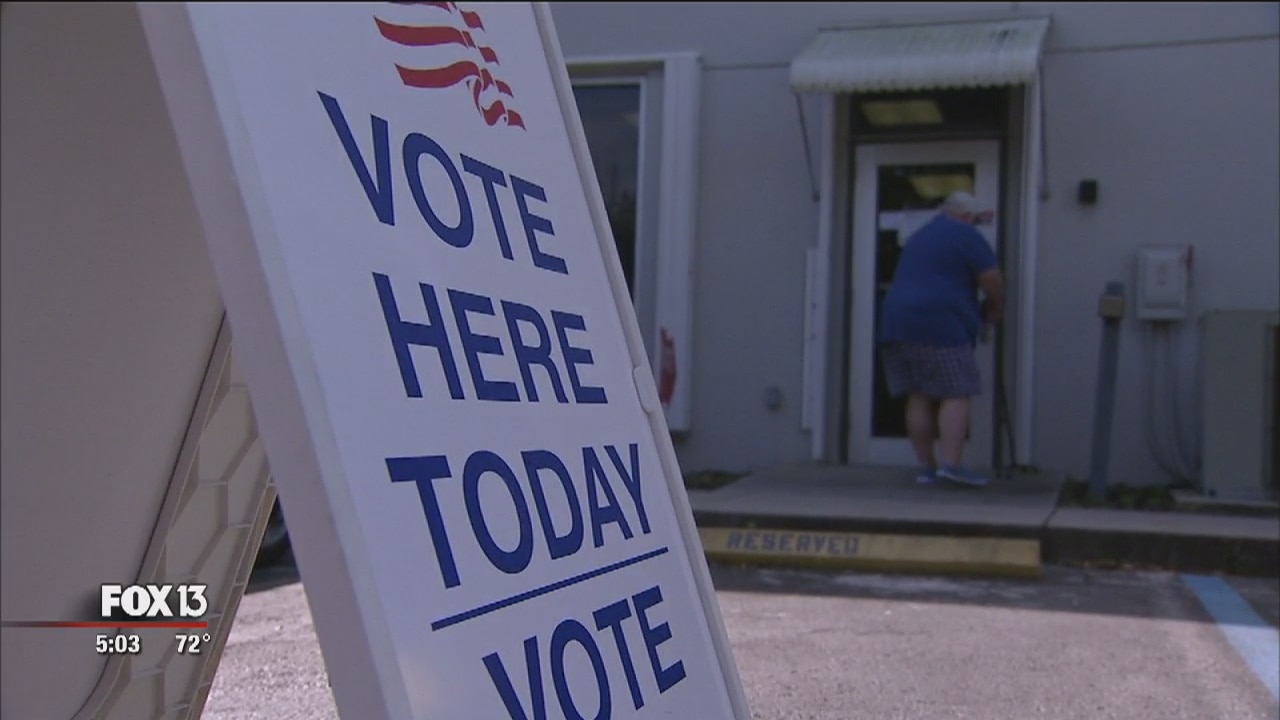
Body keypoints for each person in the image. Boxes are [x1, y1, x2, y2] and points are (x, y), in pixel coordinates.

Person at [878, 191, 1004, 487]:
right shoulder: (964, 234)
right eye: (974, 219)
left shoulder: (920, 235)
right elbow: (992, 279)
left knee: (918, 393)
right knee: (956, 392)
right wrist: (995, 310)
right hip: (940, 324)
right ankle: (952, 465)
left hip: (896, 323)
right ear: (966, 216)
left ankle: (927, 468)